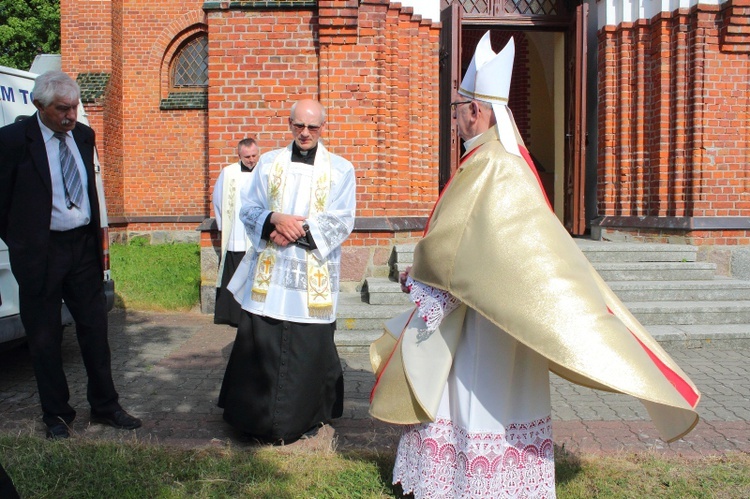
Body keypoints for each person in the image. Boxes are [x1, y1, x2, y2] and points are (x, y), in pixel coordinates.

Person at [369, 32, 700, 498]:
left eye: (458, 108)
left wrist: (420, 272)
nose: (456, 117)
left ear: (476, 111)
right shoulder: (502, 160)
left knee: (473, 397)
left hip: (484, 317)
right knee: (503, 395)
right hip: (505, 310)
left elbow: (456, 243)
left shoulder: (489, 165)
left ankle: (473, 483)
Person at [0, 71, 141, 440]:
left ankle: (106, 405)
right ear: (39, 106)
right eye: (62, 109)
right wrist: (22, 242)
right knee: (45, 338)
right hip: (40, 252)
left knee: (95, 330)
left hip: (82, 248)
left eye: (74, 107)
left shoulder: (82, 135)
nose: (71, 116)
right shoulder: (13, 140)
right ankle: (57, 416)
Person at [218, 98, 356, 444]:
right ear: (290, 124)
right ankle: (253, 418)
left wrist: (292, 232)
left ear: (323, 127)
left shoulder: (340, 169)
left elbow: (341, 220)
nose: (305, 133)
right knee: (260, 336)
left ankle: (303, 419)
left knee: (307, 345)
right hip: (271, 271)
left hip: (312, 274)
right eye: (299, 126)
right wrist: (273, 221)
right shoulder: (268, 163)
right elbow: (249, 208)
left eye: (313, 127)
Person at [212, 138, 260, 326]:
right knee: (235, 271)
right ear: (239, 155)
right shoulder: (229, 173)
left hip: (256, 232)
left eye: (254, 155)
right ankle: (233, 316)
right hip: (237, 232)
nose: (251, 160)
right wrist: (224, 226)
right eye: (247, 156)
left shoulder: (265, 171)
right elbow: (218, 199)